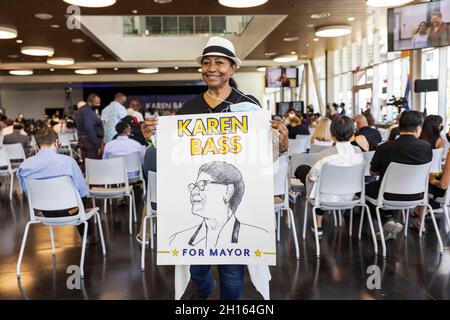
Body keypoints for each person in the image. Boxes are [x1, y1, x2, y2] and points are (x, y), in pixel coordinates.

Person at [169, 36, 287, 300]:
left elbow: (263, 159)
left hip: (231, 201)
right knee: (197, 267)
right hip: (195, 206)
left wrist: (281, 144)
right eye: (207, 62)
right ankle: (205, 286)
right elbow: (175, 156)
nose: (212, 68)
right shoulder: (189, 109)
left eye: (219, 63)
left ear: (232, 68)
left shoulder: (249, 106)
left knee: (232, 273)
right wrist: (153, 138)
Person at [17, 126, 97, 243]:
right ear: (57, 142)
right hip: (71, 212)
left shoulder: (24, 166)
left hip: (42, 213)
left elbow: (27, 191)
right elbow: (83, 191)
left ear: (37, 145)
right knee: (83, 196)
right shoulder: (68, 162)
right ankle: (88, 236)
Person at [366, 111, 432, 240]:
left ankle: (387, 220)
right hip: (417, 196)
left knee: (365, 190)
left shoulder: (385, 147)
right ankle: (388, 223)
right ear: (418, 128)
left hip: (387, 195)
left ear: (399, 126)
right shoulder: (426, 147)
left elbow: (372, 172)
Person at [294, 116, 364, 236]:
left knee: (302, 169)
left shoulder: (325, 155)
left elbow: (312, 177)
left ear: (332, 134)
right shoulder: (358, 152)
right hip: (350, 196)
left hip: (325, 198)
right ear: (352, 133)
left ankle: (318, 224)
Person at [76, 93, 104, 171]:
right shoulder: (88, 112)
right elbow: (90, 129)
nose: (99, 105)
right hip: (90, 142)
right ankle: (94, 183)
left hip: (83, 140)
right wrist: (97, 146)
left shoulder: (81, 110)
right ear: (90, 102)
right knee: (93, 165)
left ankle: (87, 181)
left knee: (86, 164)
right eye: (97, 103)